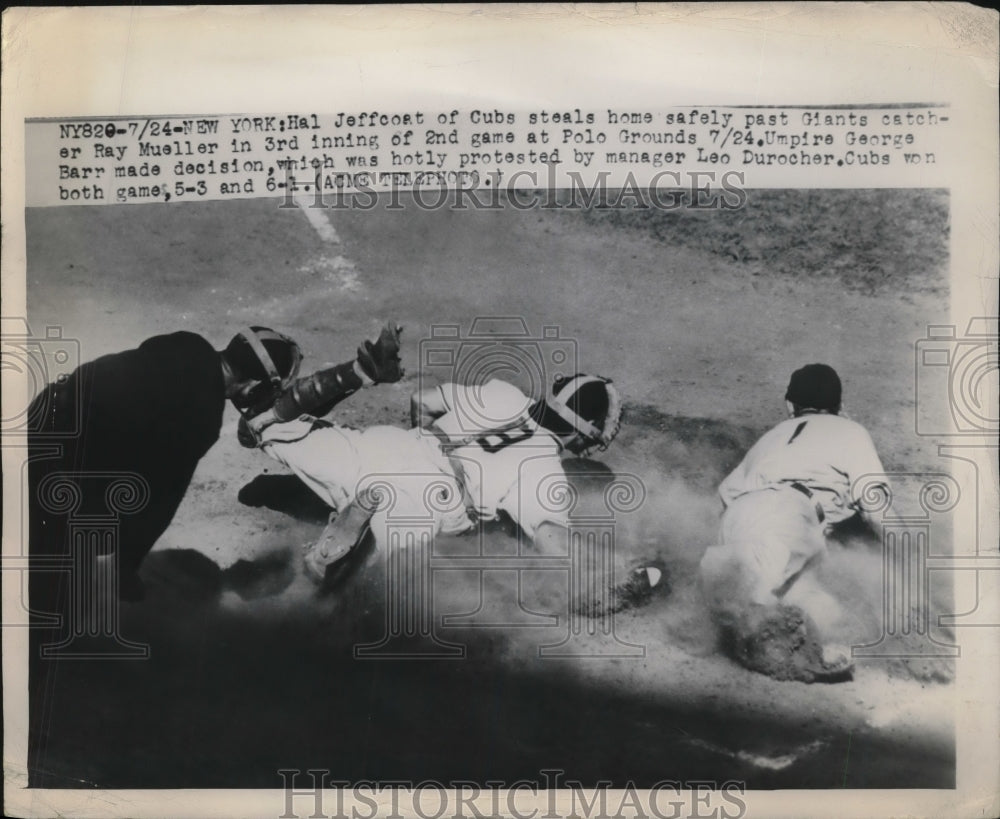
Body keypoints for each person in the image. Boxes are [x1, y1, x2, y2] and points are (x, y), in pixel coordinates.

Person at [241, 328, 661, 613]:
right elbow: (554, 542)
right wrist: (615, 570)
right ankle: (339, 556)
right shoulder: (545, 471)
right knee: (365, 604)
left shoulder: (502, 393)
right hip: (425, 501)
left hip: (385, 445)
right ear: (583, 441)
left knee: (264, 422)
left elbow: (422, 401)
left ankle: (354, 379)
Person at [28, 326, 303, 604]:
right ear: (253, 385)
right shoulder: (203, 419)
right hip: (57, 474)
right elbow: (159, 504)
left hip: (42, 416)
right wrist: (125, 569)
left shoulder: (188, 343)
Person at [698, 363, 890, 683]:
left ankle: (717, 591)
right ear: (840, 407)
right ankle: (750, 627)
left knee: (824, 612)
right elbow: (874, 505)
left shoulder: (772, 436)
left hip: (740, 515)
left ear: (790, 407)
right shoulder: (850, 430)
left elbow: (724, 498)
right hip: (787, 515)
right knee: (754, 600)